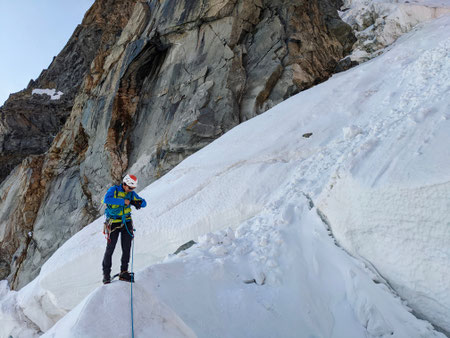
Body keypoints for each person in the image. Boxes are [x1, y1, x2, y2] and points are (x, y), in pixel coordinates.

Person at [102, 174, 147, 284]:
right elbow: (106, 199)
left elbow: (144, 203)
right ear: (125, 184)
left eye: (133, 188)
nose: (131, 190)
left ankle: (124, 272)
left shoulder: (131, 194)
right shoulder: (114, 190)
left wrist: (137, 202)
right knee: (110, 249)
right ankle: (106, 275)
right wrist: (124, 202)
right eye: (130, 188)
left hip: (126, 222)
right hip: (113, 223)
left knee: (126, 248)